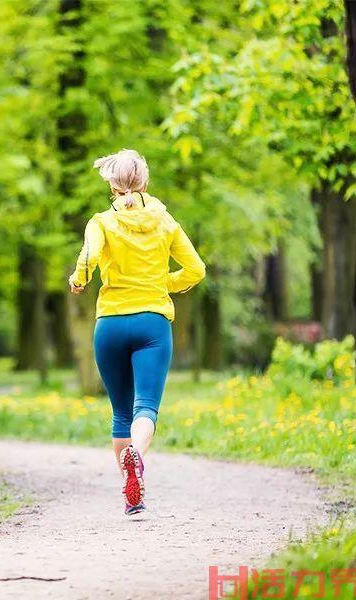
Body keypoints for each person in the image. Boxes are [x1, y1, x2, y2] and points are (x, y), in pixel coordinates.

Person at [68, 149, 205, 516]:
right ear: (144, 182)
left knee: (120, 414)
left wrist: (78, 280)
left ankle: (133, 497)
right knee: (146, 406)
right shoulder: (165, 221)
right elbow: (196, 269)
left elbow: (88, 258)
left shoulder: (100, 222)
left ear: (112, 185)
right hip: (152, 324)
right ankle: (138, 457)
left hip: (110, 324)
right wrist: (163, 283)